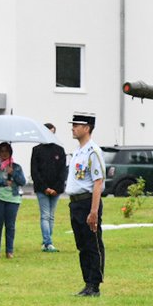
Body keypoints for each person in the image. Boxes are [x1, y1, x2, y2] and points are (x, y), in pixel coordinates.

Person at [66, 113, 106, 296]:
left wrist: (94, 211)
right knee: (82, 245)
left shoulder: (93, 151)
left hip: (88, 201)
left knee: (93, 244)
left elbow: (98, 182)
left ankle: (94, 284)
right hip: (75, 203)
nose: (73, 127)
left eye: (77, 125)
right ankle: (87, 282)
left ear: (87, 128)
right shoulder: (78, 151)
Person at [0, 142, 27, 259]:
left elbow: (23, 182)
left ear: (10, 152)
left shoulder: (16, 167)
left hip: (13, 199)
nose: (4, 153)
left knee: (10, 226)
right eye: (2, 151)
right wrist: (3, 182)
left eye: (6, 151)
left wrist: (12, 172)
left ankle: (9, 251)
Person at [31, 123, 67, 253]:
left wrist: (56, 188)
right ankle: (48, 242)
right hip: (42, 189)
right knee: (45, 215)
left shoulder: (60, 150)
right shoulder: (37, 150)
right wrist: (45, 188)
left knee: (51, 216)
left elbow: (63, 171)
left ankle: (47, 241)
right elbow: (35, 172)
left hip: (56, 189)